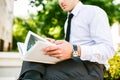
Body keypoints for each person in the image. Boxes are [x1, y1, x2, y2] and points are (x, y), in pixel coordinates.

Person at [18, 0, 115, 80]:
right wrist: (54, 44)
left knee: (46, 74)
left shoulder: (93, 12)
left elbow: (108, 50)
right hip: (72, 63)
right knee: (32, 57)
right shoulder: (68, 20)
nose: (61, 1)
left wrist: (75, 50)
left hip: (91, 67)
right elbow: (69, 49)